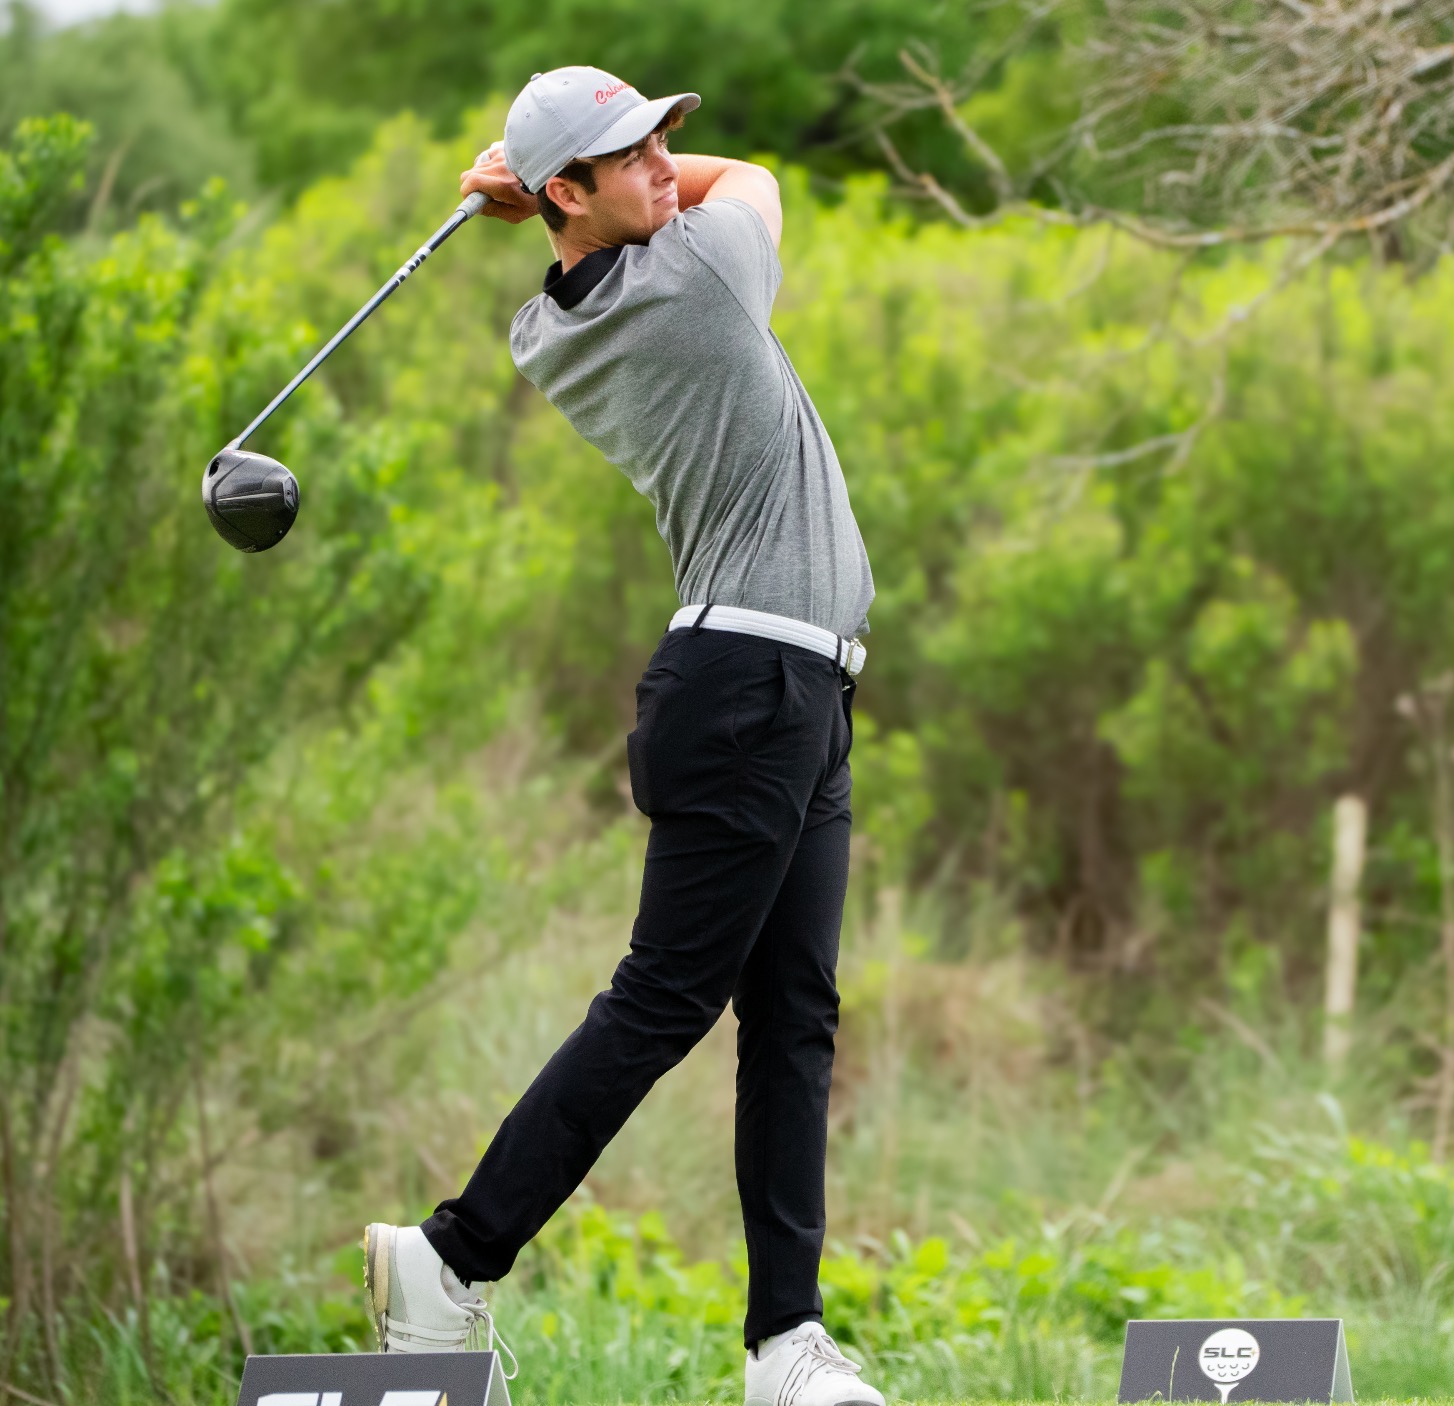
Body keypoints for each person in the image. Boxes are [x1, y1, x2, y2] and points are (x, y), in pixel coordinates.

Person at [357, 67, 880, 1406]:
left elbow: (649, 197)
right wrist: (527, 188)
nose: (662, 160)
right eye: (621, 153)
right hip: (749, 683)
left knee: (792, 1013)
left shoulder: (551, 321)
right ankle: (451, 1256)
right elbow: (757, 182)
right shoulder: (694, 282)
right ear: (566, 193)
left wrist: (539, 195)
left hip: (793, 690)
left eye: (661, 137)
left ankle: (785, 1344)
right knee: (666, 999)